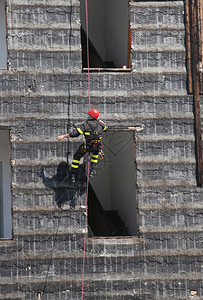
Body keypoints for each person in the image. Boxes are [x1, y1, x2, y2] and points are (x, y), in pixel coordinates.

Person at [56, 108, 106, 181]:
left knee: (77, 156)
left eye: (89, 115)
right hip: (97, 146)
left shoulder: (85, 125)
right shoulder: (101, 124)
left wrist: (63, 136)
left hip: (88, 146)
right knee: (95, 154)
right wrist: (102, 122)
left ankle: (72, 173)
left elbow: (75, 134)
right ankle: (92, 170)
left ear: (90, 116)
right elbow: (105, 129)